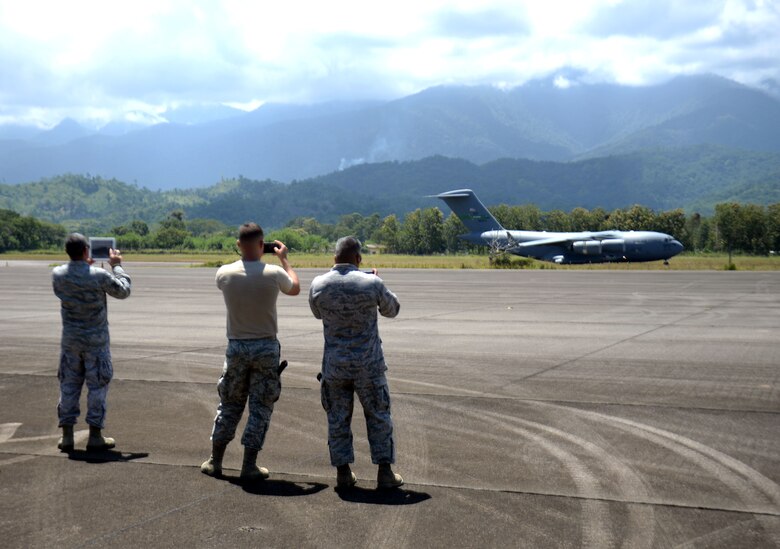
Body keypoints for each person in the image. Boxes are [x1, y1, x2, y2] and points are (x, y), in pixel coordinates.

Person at [201, 222, 300, 482]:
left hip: (236, 346)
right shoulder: (274, 273)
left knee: (230, 404)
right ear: (262, 244)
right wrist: (285, 260)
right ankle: (249, 464)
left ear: (238, 245)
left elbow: (233, 275)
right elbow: (295, 288)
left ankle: (215, 460)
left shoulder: (224, 273)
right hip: (266, 346)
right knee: (260, 406)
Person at [308, 236, 403, 489]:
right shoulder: (371, 282)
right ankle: (384, 473)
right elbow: (392, 309)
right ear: (358, 259)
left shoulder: (318, 284)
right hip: (368, 365)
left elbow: (317, 312)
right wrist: (373, 281)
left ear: (334, 258)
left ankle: (343, 473)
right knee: (378, 417)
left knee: (338, 419)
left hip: (335, 366)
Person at [52, 233, 131, 452]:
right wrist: (116, 266)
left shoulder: (57, 274)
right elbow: (123, 291)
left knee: (68, 386)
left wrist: (82, 265)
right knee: (97, 387)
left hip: (70, 342)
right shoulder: (98, 275)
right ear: (86, 251)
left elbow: (66, 285)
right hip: (95, 343)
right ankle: (95, 435)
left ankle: (67, 435)